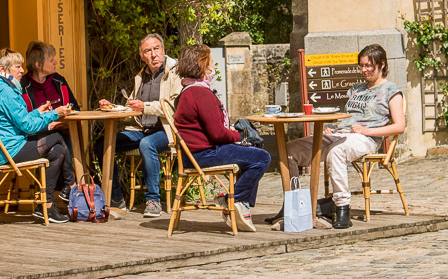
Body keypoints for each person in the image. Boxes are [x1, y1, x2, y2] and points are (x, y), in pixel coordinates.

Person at [282, 44, 405, 229]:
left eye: (369, 65)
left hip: (366, 139)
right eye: (362, 65)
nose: (364, 70)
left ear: (382, 64)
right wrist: (334, 129)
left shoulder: (391, 91)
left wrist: (367, 131)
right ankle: (295, 205)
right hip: (341, 134)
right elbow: (349, 117)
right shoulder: (356, 88)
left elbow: (399, 126)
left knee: (336, 151)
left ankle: (342, 207)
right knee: (290, 150)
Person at [170, 44, 270, 232]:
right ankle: (233, 200)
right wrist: (238, 135)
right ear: (201, 66)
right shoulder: (200, 93)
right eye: (210, 63)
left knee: (252, 153)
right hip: (204, 154)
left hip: (192, 154)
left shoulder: (188, 90)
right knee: (262, 157)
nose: (213, 67)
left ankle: (240, 204)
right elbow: (217, 134)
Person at [0, 48, 76, 223]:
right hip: (9, 150)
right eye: (17, 66)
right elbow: (27, 126)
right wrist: (55, 113)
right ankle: (70, 186)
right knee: (56, 137)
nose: (22, 70)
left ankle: (46, 205)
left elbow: (20, 121)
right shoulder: (6, 91)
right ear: (3, 69)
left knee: (57, 150)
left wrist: (39, 111)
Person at [99, 33, 180, 217]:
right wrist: (114, 107)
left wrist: (145, 107)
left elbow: (174, 107)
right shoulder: (141, 76)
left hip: (167, 130)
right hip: (142, 129)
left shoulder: (176, 72)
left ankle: (153, 200)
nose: (153, 54)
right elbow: (135, 109)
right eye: (147, 51)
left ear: (163, 49)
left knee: (147, 144)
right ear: (142, 56)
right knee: (104, 143)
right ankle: (116, 199)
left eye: (156, 48)